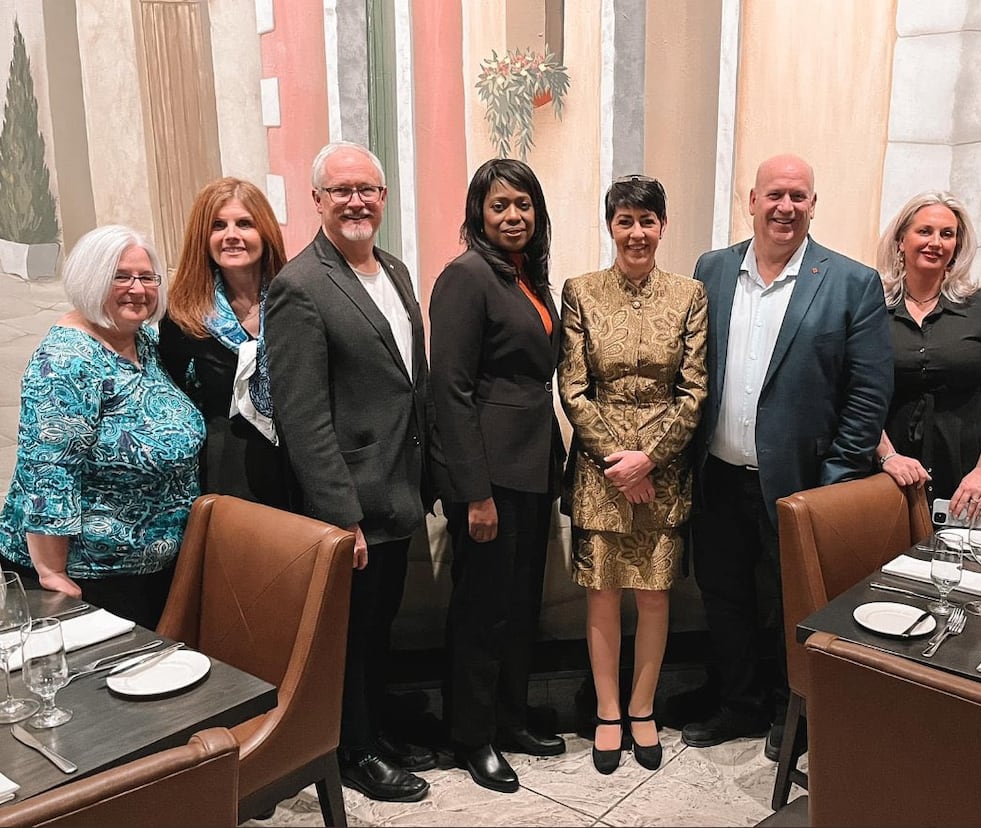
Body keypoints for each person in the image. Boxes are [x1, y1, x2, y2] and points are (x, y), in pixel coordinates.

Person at [681, 154, 893, 759]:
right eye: (775, 195)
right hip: (718, 475)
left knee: (789, 604)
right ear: (751, 200)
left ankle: (788, 711)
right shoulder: (713, 270)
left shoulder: (851, 282)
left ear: (813, 205)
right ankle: (739, 703)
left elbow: (867, 396)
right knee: (723, 596)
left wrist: (831, 484)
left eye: (799, 197)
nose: (786, 207)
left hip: (799, 485)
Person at [266, 141, 435, 803]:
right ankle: (356, 752)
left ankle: (376, 731)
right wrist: (344, 517)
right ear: (318, 201)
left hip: (399, 491)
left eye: (368, 189)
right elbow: (303, 419)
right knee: (351, 636)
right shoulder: (299, 286)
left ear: (384, 199)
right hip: (353, 505)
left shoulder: (391, 269)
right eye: (341, 191)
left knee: (378, 627)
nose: (357, 200)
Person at [558, 175, 708, 774]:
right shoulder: (581, 291)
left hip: (664, 472)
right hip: (599, 473)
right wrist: (621, 464)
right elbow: (573, 387)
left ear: (663, 225)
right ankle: (607, 711)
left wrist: (650, 459)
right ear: (610, 225)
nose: (637, 232)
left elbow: (694, 390)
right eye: (625, 220)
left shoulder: (689, 294)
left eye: (648, 220)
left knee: (653, 595)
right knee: (602, 597)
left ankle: (643, 708)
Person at [430, 158, 566, 794]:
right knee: (482, 610)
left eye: (524, 206)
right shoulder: (465, 277)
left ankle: (510, 718)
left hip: (533, 467)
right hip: (489, 477)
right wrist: (475, 494)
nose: (513, 217)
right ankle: (472, 735)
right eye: (499, 206)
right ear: (477, 215)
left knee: (519, 605)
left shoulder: (524, 277)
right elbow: (450, 392)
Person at [0, 226, 205, 628]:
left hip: (146, 569)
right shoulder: (66, 360)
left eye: (147, 277)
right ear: (91, 280)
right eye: (121, 276)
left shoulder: (138, 339)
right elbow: (49, 471)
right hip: (91, 576)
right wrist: (52, 574)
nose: (137, 288)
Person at [874, 191, 981, 517]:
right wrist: (887, 455)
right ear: (901, 240)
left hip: (970, 481)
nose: (936, 242)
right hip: (891, 474)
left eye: (947, 234)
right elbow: (853, 392)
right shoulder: (870, 305)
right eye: (924, 231)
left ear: (957, 246)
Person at [160, 177, 293, 507]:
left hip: (294, 463)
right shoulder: (183, 316)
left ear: (264, 232)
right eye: (218, 225)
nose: (231, 235)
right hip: (225, 471)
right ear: (203, 238)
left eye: (244, 223)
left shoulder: (294, 302)